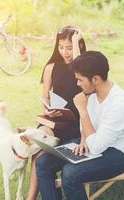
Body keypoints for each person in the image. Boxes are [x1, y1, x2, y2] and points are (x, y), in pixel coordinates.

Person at [35, 51, 124, 200]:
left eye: (80, 80)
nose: (77, 84)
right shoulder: (91, 93)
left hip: (118, 153)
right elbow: (87, 128)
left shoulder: (119, 105)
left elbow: (97, 146)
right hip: (93, 141)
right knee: (43, 163)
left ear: (95, 79)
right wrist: (83, 139)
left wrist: (82, 110)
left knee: (70, 174)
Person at [26, 26, 87, 200]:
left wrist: (76, 41)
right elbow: (45, 98)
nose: (64, 52)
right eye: (61, 47)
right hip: (56, 121)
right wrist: (48, 110)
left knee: (42, 154)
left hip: (77, 124)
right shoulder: (51, 67)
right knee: (38, 147)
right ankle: (31, 197)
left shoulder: (83, 69)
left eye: (69, 47)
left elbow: (79, 66)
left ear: (79, 47)